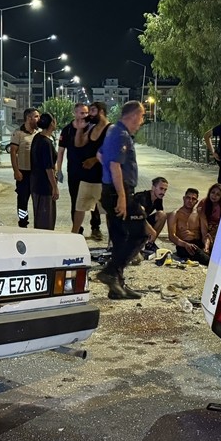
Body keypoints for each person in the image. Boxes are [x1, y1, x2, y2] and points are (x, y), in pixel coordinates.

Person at [96, 100, 146, 300]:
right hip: (119, 192)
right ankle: (111, 272)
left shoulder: (112, 131)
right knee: (140, 233)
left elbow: (100, 155)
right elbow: (115, 165)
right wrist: (122, 197)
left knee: (119, 238)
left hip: (110, 190)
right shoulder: (121, 134)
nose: (141, 122)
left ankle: (117, 286)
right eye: (141, 116)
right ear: (133, 115)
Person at [56, 103, 96, 235]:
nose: (85, 115)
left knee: (94, 200)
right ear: (75, 113)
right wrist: (59, 169)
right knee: (76, 201)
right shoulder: (67, 130)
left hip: (91, 171)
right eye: (82, 113)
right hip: (74, 172)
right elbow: (61, 151)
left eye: (86, 113)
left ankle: (95, 227)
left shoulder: (92, 128)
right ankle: (77, 228)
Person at [72, 101, 109, 240]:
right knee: (79, 208)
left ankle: (113, 241)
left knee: (107, 212)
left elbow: (111, 153)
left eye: (92, 111)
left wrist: (93, 160)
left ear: (101, 112)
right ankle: (73, 236)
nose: (89, 114)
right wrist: (80, 129)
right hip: (86, 177)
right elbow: (78, 144)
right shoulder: (92, 128)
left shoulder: (110, 129)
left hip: (102, 179)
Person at [9, 107, 40, 228]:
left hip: (36, 173)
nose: (38, 119)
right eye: (36, 116)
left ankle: (39, 223)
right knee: (23, 200)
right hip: (23, 173)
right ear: (29, 118)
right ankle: (23, 222)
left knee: (37, 200)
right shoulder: (18, 133)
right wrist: (16, 171)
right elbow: (13, 152)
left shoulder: (38, 134)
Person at [30, 112, 59, 230]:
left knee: (39, 217)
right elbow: (48, 168)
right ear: (52, 123)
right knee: (46, 219)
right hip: (44, 186)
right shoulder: (46, 143)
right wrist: (54, 187)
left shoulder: (37, 137)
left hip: (35, 183)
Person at [167, 187, 210, 264]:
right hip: (183, 245)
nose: (190, 201)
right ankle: (210, 262)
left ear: (196, 202)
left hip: (198, 243)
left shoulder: (200, 214)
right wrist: (185, 244)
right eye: (188, 198)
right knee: (196, 252)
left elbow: (204, 234)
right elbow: (172, 236)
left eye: (193, 199)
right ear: (184, 198)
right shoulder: (175, 214)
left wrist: (206, 247)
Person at [131, 176, 170, 253]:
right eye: (161, 188)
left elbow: (161, 216)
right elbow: (138, 216)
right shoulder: (142, 197)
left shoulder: (158, 199)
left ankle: (150, 244)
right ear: (153, 187)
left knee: (162, 215)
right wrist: (152, 231)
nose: (163, 192)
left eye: (165, 190)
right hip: (130, 224)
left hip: (140, 224)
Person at [201, 182, 221, 254]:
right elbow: (200, 216)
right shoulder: (204, 202)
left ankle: (206, 247)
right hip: (204, 227)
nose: (214, 196)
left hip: (217, 230)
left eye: (218, 194)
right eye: (213, 192)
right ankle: (206, 247)